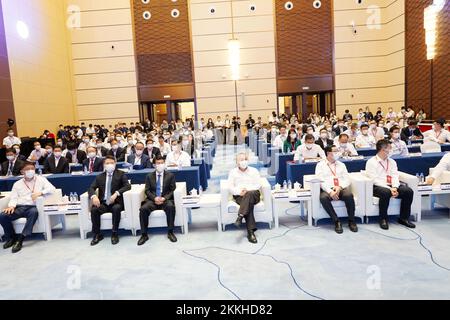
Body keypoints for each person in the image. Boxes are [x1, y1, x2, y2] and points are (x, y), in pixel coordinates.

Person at [0, 162, 56, 253]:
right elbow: (14, 197)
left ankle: (20, 239)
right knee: (2, 215)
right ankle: (11, 238)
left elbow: (52, 189)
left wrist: (40, 193)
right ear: (22, 171)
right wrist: (11, 206)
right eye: (27, 169)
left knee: (34, 212)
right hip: (19, 207)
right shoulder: (17, 184)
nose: (30, 171)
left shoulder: (41, 179)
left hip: (32, 207)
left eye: (32, 169)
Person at [365, 139, 416, 230]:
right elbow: (374, 179)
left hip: (392, 185)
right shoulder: (371, 162)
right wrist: (389, 189)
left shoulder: (392, 161)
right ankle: (383, 219)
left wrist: (395, 187)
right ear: (382, 149)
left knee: (408, 191)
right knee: (385, 192)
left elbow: (395, 175)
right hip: (378, 186)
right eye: (390, 148)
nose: (391, 150)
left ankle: (404, 218)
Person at [88, 156, 131, 246]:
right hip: (103, 203)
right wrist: (93, 196)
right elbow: (91, 187)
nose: (110, 165)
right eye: (107, 163)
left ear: (115, 164)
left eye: (112, 163)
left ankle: (114, 233)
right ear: (104, 165)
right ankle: (97, 234)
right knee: (94, 210)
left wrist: (116, 194)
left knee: (116, 209)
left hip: (116, 202)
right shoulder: (100, 177)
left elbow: (127, 186)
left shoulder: (121, 174)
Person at [315, 146, 358, 234]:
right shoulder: (320, 165)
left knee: (349, 195)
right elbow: (320, 180)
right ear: (328, 153)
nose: (337, 153)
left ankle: (351, 220)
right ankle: (336, 221)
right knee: (323, 198)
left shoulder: (341, 165)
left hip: (340, 188)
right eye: (335, 151)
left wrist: (339, 187)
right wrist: (330, 191)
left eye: (337, 151)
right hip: (327, 189)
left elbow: (347, 179)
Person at [138, 155, 178, 245]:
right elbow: (147, 190)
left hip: (165, 199)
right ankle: (144, 234)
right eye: (158, 163)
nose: (160, 165)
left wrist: (165, 198)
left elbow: (172, 189)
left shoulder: (170, 175)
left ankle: (170, 232)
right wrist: (154, 198)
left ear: (164, 164)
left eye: (162, 163)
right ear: (154, 165)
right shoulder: (149, 176)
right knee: (143, 209)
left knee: (171, 207)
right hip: (153, 200)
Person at [227, 152, 262, 244]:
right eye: (241, 160)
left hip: (254, 194)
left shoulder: (254, 170)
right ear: (237, 162)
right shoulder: (233, 172)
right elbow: (230, 187)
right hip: (240, 196)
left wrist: (247, 190)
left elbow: (258, 185)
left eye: (245, 159)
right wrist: (239, 192)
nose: (244, 161)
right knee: (248, 203)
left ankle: (240, 216)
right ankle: (250, 232)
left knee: (249, 195)